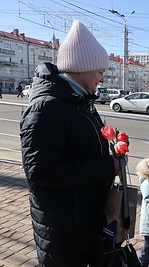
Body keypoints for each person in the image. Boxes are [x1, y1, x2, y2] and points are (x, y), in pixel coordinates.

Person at [20, 20, 121, 266]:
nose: (102, 78)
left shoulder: (78, 101)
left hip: (82, 220)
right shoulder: (46, 108)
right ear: (81, 67)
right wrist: (108, 167)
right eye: (100, 71)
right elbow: (41, 172)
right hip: (62, 228)